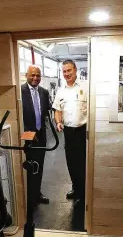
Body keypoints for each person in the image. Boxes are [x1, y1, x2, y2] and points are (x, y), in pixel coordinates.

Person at [52, 59, 88, 208]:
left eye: (69, 70)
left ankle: (83, 192)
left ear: (75, 70)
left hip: (83, 131)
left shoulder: (86, 87)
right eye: (64, 71)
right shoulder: (61, 91)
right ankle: (76, 188)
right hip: (68, 132)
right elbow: (57, 110)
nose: (67, 74)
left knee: (82, 163)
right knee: (71, 163)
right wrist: (58, 121)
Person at [21, 65, 51, 204]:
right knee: (28, 166)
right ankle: (28, 196)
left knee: (39, 165)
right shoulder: (20, 91)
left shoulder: (44, 92)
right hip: (27, 137)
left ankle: (37, 193)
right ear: (26, 75)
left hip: (41, 135)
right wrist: (29, 132)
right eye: (32, 75)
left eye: (38, 75)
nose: (35, 78)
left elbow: (45, 113)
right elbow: (19, 116)